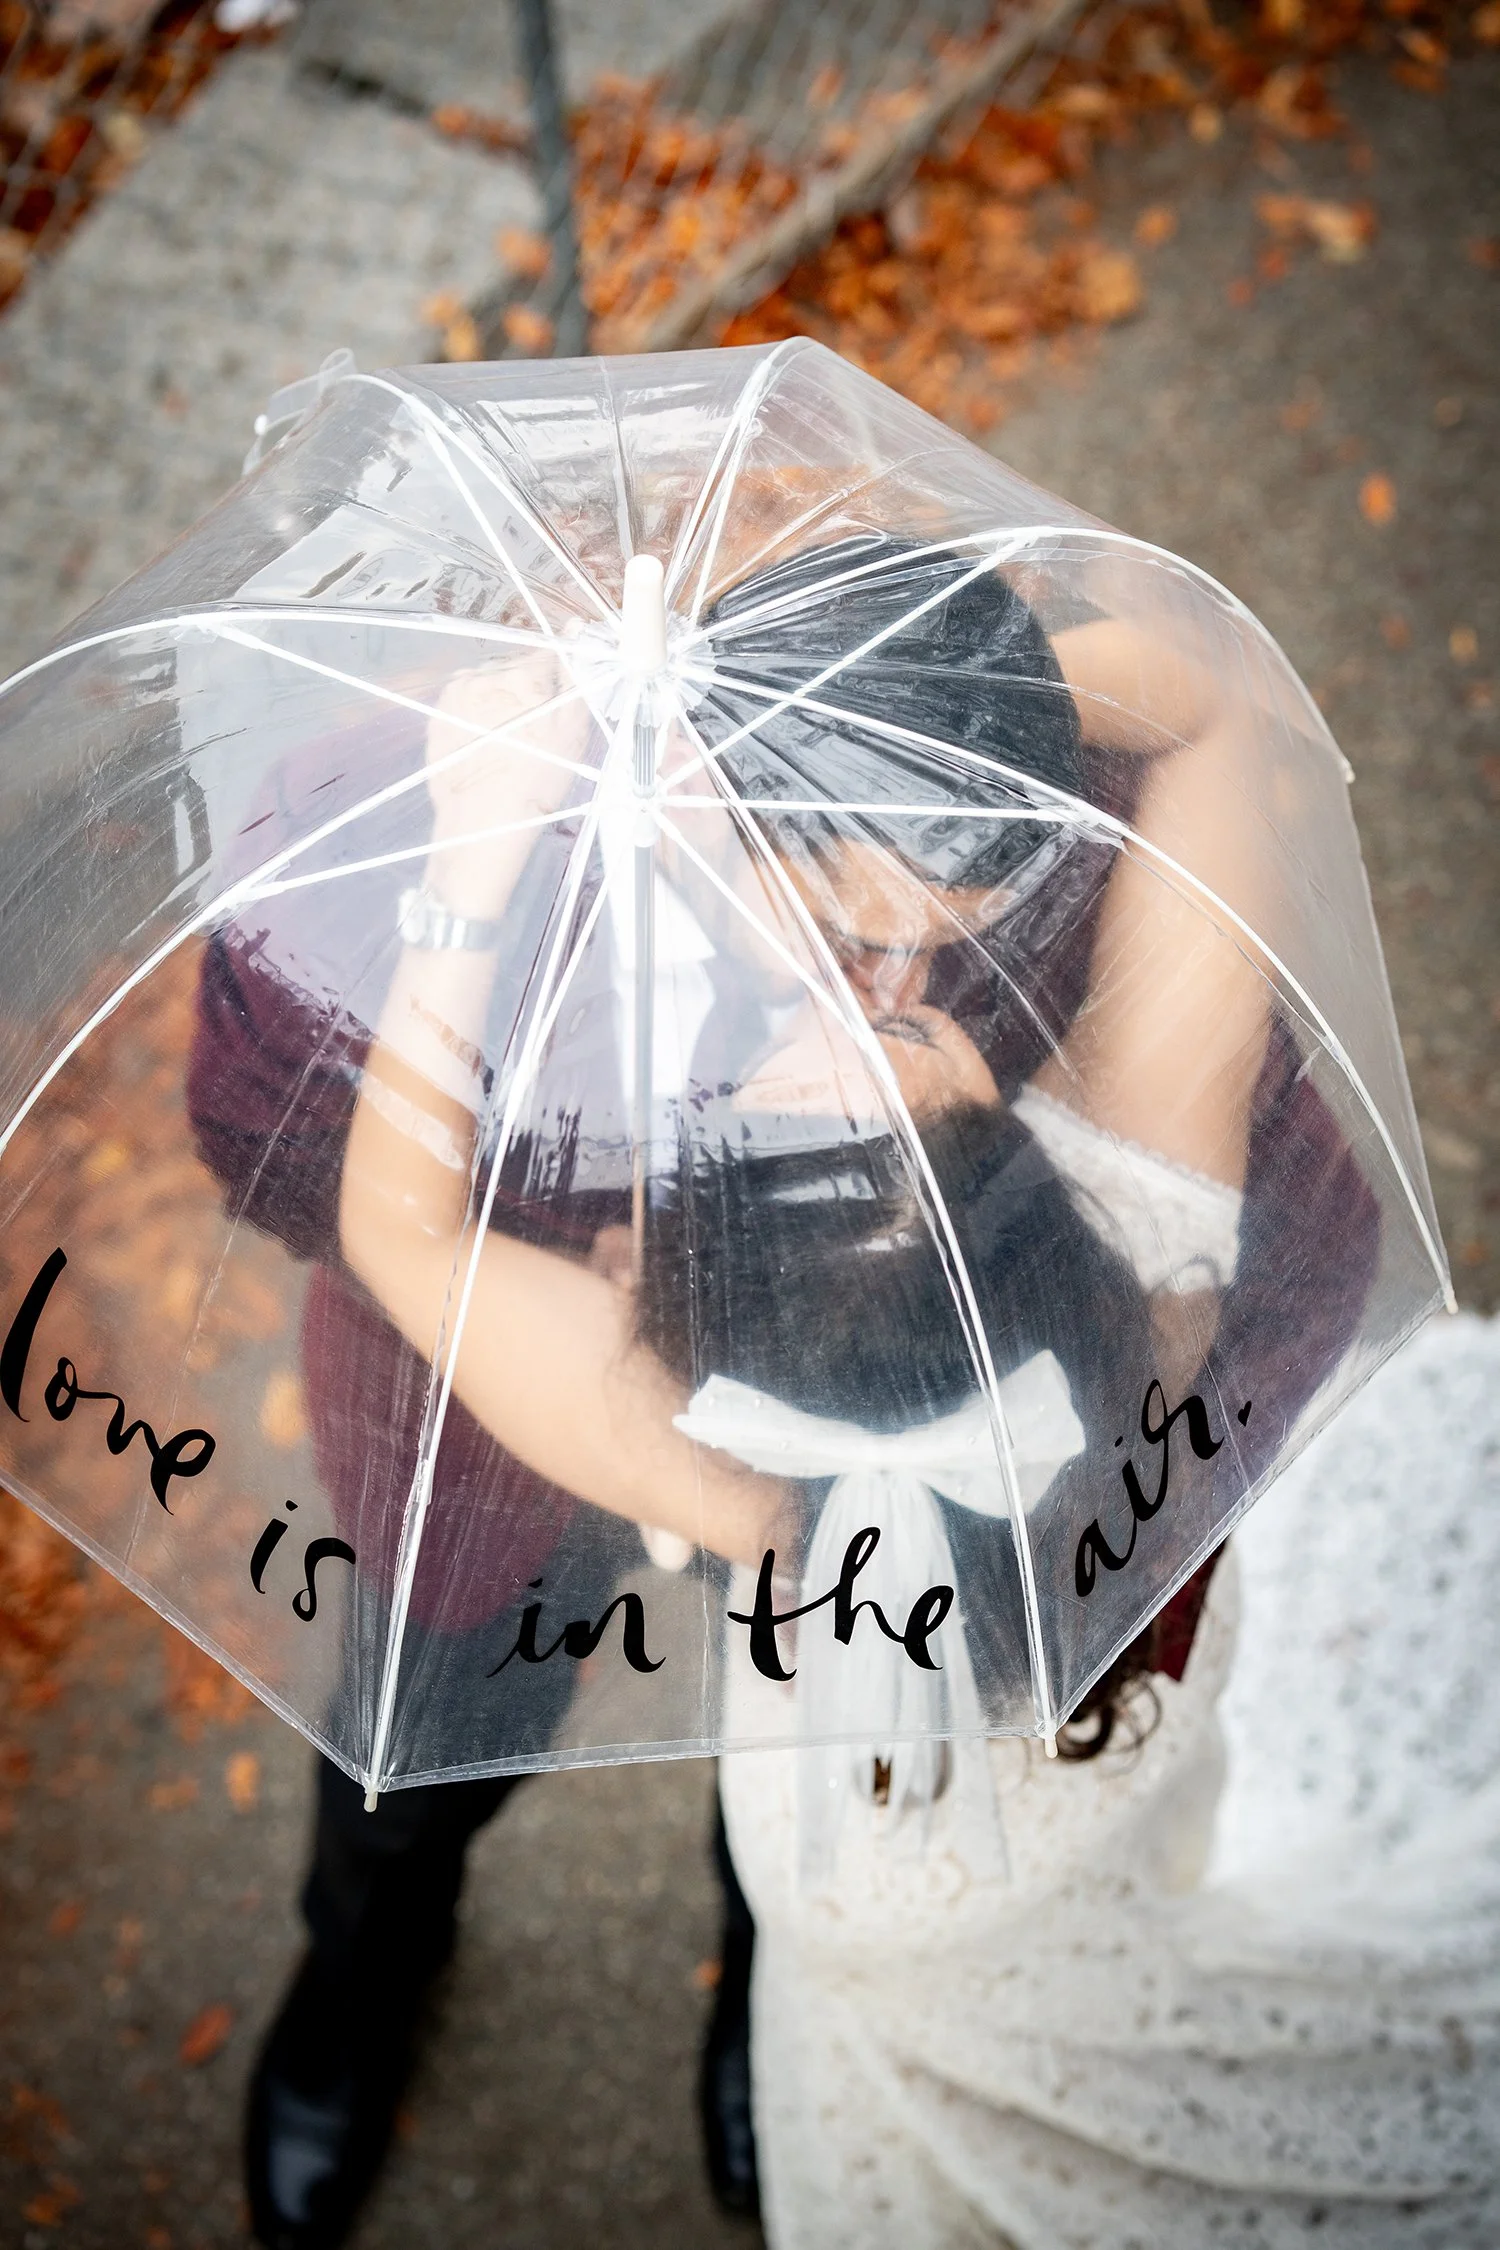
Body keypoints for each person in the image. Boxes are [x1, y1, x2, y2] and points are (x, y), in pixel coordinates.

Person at [189, 536, 1376, 2246]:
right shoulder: (1140, 1258)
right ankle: (373, 1962)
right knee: (425, 1746)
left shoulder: (718, 1464)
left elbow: (397, 1218)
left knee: (774, 1851)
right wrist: (868, 723)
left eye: (812, 1100)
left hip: (613, 1451)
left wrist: (482, 864)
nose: (885, 986)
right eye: (872, 972)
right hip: (757, 1606)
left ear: (689, 1323)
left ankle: (753, 1966)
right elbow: (262, 1135)